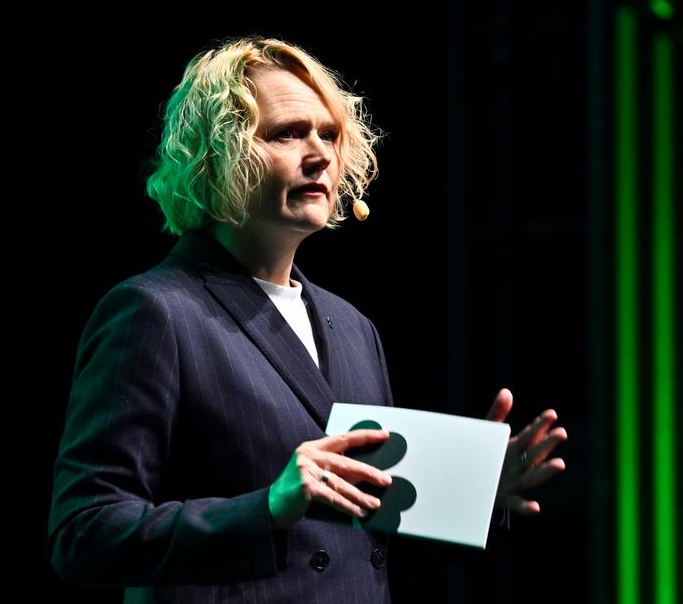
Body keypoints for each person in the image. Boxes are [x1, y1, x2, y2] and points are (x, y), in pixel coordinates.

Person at [47, 37, 566, 603]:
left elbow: (355, 552)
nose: (319, 153)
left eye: (330, 134)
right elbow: (85, 533)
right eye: (287, 133)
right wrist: (267, 506)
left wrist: (469, 495)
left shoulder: (353, 327)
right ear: (217, 154)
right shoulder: (156, 312)